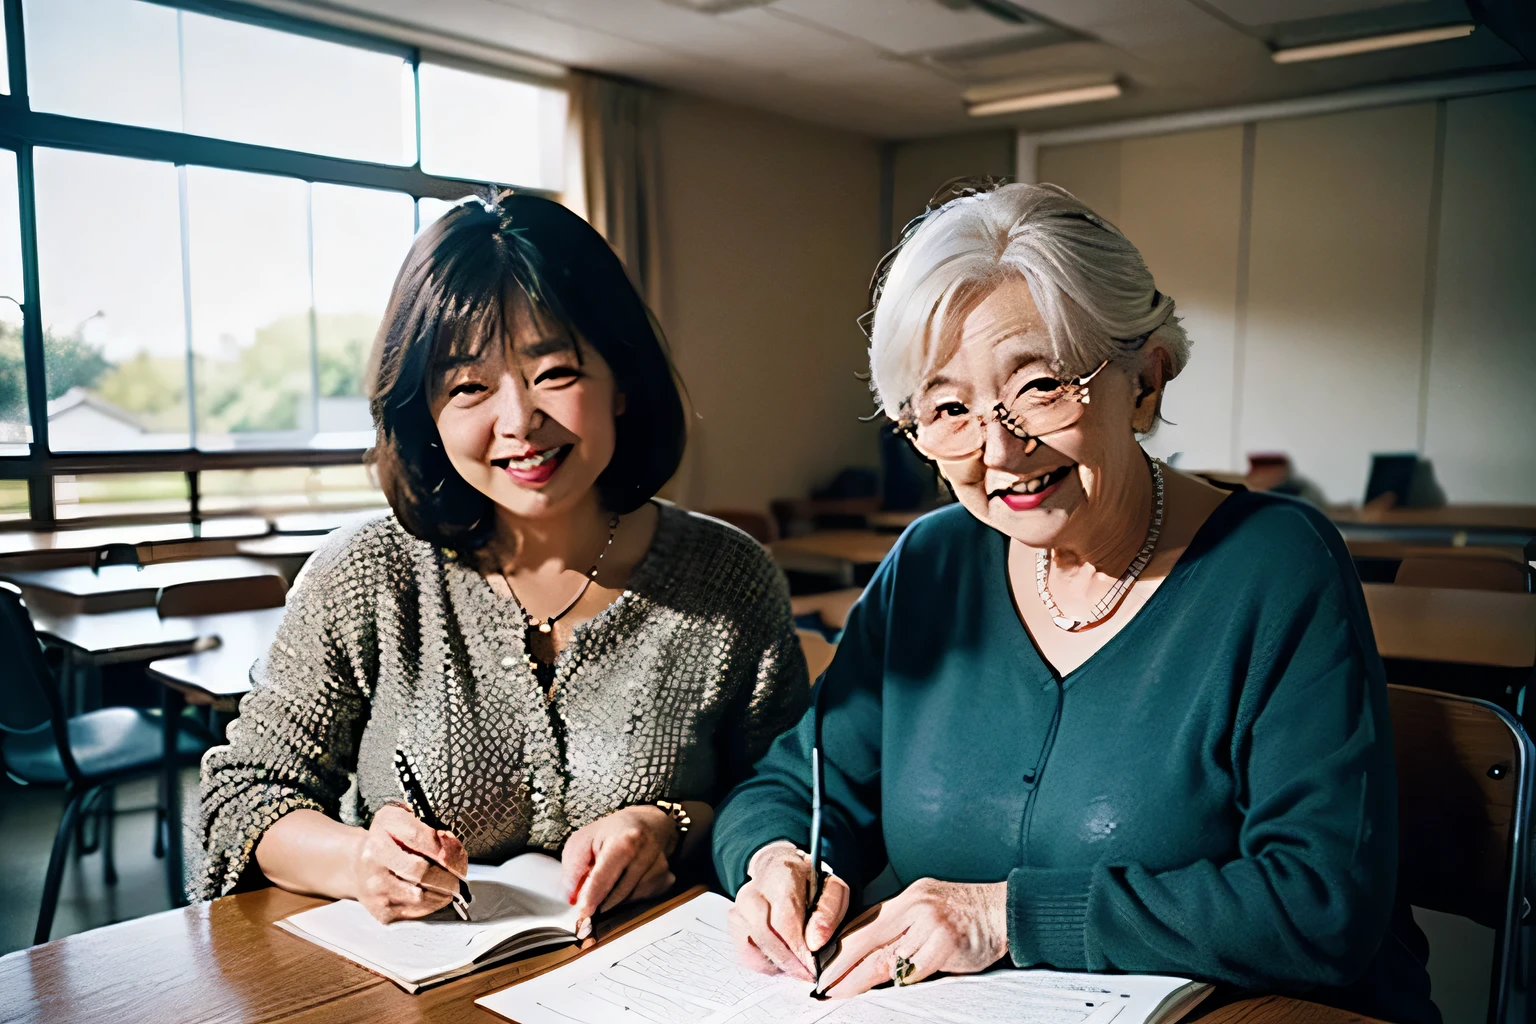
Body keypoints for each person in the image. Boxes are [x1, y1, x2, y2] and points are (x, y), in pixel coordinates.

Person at [713, 181, 1437, 1024]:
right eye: (947, 408)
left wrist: (1003, 917)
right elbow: (794, 786)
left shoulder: (1277, 565)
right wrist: (776, 862)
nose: (999, 448)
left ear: (1145, 380)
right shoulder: (930, 563)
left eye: (1042, 386)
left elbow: (1321, 902)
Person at [197, 192, 808, 933]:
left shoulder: (729, 581)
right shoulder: (369, 577)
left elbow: (785, 794)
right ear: (426, 414)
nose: (519, 423)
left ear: (621, 382)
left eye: (555, 373)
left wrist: (671, 824)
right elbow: (244, 792)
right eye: (468, 388)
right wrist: (356, 861)